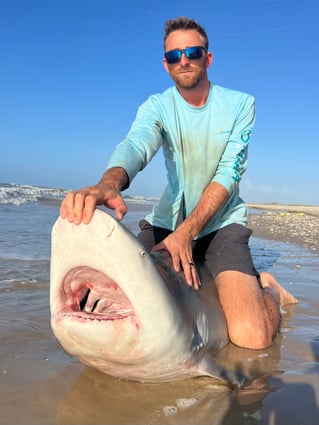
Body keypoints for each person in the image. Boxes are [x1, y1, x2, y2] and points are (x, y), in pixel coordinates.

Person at [60, 17, 297, 349]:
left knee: (252, 339)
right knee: (119, 294)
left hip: (221, 226)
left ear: (208, 58)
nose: (183, 60)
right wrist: (109, 182)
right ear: (166, 64)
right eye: (174, 56)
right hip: (167, 222)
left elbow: (228, 174)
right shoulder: (157, 107)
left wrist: (188, 233)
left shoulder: (241, 105)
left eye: (193, 51)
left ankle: (268, 288)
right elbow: (136, 143)